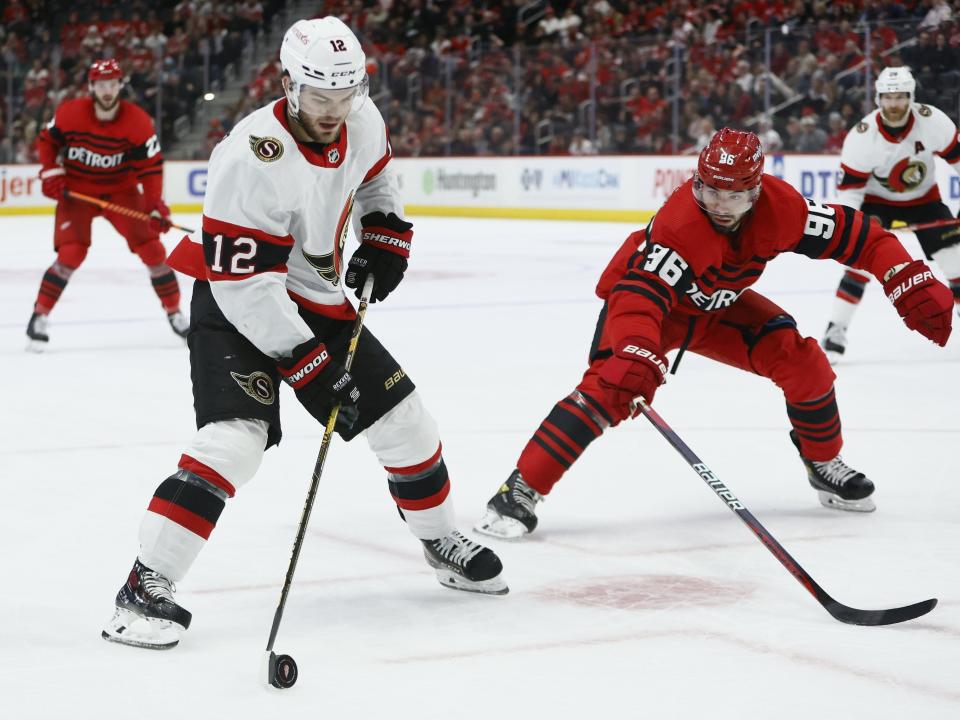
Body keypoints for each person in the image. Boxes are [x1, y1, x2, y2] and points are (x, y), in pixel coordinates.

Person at [102, 17, 506, 651]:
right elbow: (248, 289)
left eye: (346, 94)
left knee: (407, 422)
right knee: (237, 440)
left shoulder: (362, 117)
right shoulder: (248, 154)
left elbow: (376, 182)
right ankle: (143, 587)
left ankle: (438, 539)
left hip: (315, 297)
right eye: (321, 96)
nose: (334, 109)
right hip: (237, 300)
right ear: (288, 83)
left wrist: (385, 236)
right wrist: (308, 363)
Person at [475, 128, 953, 540]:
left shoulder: (783, 209)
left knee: (804, 362)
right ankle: (520, 488)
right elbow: (640, 294)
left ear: (757, 192)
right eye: (710, 191)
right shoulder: (681, 225)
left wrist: (903, 273)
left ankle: (824, 463)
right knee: (610, 389)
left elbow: (862, 236)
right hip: (653, 310)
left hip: (717, 307)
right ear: (697, 182)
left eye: (735, 196)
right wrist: (637, 347)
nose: (720, 206)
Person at [27, 58, 185, 351]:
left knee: (153, 250)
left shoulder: (138, 121)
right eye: (101, 84)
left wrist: (153, 205)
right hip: (77, 193)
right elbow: (46, 141)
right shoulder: (70, 113)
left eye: (113, 83)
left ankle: (175, 312)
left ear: (120, 85)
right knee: (71, 254)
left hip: (121, 191)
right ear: (91, 87)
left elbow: (151, 168)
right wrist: (51, 171)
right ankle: (40, 315)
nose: (107, 90)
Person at [821, 66, 960, 363]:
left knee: (955, 259)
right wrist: (852, 227)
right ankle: (836, 329)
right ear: (877, 99)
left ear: (910, 97)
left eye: (899, 97)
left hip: (924, 200)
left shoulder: (932, 121)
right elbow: (851, 191)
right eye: (888, 97)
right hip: (877, 203)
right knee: (859, 265)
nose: (893, 104)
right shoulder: (863, 136)